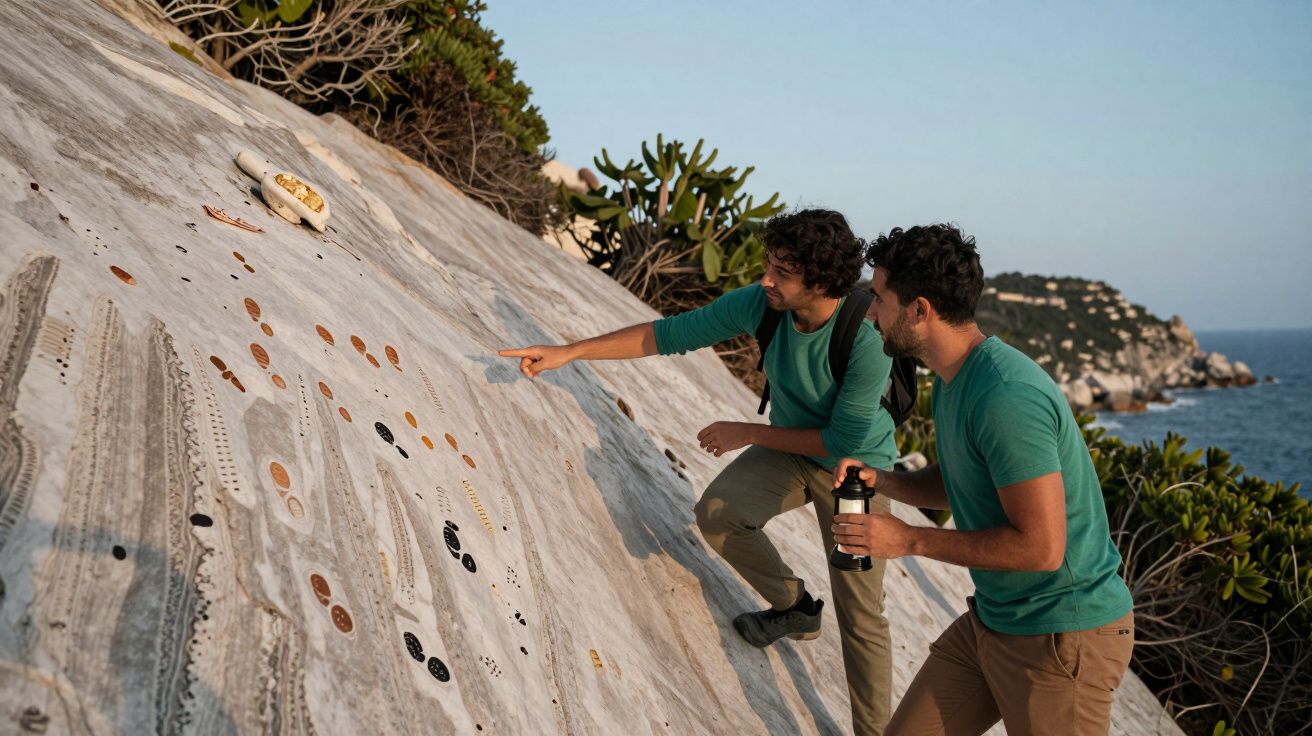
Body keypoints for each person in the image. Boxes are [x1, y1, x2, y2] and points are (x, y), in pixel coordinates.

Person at [500, 209, 899, 734]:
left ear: (821, 282)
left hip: (855, 474)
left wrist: (749, 431)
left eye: (782, 271)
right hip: (792, 451)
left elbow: (843, 440)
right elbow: (669, 334)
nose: (766, 279)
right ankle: (795, 607)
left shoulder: (866, 337)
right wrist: (570, 353)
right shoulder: (763, 305)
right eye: (769, 264)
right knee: (718, 514)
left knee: (860, 616)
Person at [831, 224, 1135, 736]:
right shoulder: (955, 379)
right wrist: (882, 481)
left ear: (920, 309)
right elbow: (960, 481)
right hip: (996, 620)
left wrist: (908, 540)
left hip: (1061, 634)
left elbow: (1042, 548)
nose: (870, 313)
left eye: (879, 298)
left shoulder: (1004, 394)